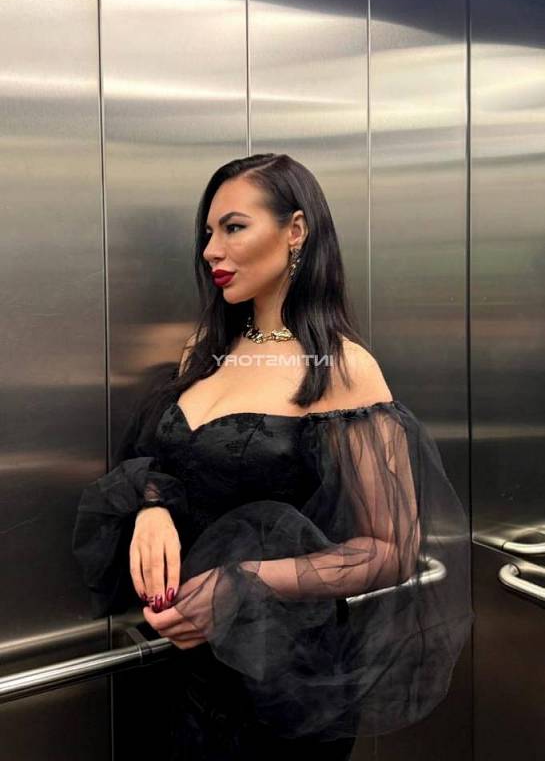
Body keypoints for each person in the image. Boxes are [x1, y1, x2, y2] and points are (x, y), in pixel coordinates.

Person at [72, 153, 474, 761]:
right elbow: (168, 461)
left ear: (296, 230)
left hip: (278, 684)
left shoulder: (342, 367)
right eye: (208, 232)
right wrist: (153, 507)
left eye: (233, 227)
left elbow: (390, 549)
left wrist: (242, 583)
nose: (211, 249)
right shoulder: (202, 350)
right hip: (178, 665)